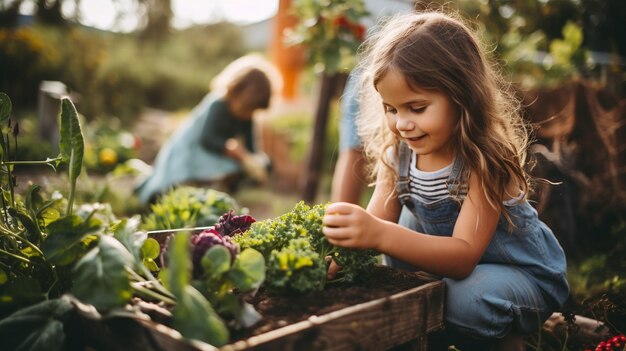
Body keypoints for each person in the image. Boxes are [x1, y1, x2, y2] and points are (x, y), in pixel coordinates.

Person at [321, 11, 569, 351]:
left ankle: (510, 338)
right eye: (391, 109)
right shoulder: (400, 156)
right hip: (458, 275)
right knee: (400, 241)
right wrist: (336, 260)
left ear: (462, 97)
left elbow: (463, 256)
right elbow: (377, 222)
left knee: (468, 300)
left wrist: (378, 233)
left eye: (417, 108)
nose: (402, 123)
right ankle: (440, 330)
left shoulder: (484, 161)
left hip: (521, 276)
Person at [134, 55, 281, 204]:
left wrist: (258, 163)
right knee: (168, 187)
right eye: (248, 108)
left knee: (258, 164)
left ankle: (217, 192)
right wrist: (231, 150)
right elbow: (208, 139)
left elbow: (252, 149)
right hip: (189, 152)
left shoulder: (247, 116)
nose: (249, 114)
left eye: (253, 111)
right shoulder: (218, 104)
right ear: (236, 93)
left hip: (208, 155)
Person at [330, 69, 368, 204]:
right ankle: (341, 220)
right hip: (369, 68)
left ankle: (340, 219)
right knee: (354, 148)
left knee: (353, 149)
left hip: (368, 66)